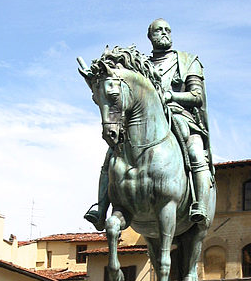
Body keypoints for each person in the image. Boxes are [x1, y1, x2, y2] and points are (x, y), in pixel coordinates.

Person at [85, 18, 214, 231]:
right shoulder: (141, 66)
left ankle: (199, 206)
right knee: (111, 154)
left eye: (167, 30)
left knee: (196, 151)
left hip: (180, 116)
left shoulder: (188, 61)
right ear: (149, 36)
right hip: (143, 122)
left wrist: (171, 96)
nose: (164, 33)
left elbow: (197, 96)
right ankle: (100, 210)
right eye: (158, 30)